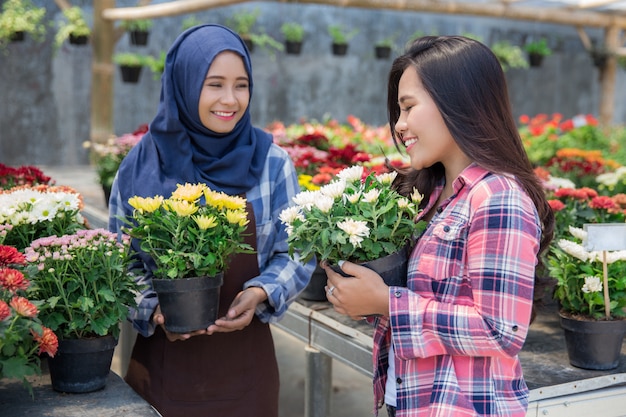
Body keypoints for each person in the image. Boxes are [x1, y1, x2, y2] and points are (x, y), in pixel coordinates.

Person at [323, 35, 555, 417]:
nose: (399, 125)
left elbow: (500, 330)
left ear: (458, 102)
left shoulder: (498, 197)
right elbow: (423, 295)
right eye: (398, 111)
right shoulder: (430, 195)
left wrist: (387, 303)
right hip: (411, 398)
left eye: (408, 107)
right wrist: (359, 293)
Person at [108, 24, 315, 417]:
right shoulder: (141, 165)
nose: (230, 100)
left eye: (241, 85)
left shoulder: (271, 163)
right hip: (162, 373)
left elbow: (298, 249)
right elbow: (120, 261)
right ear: (184, 84)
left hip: (246, 376)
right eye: (214, 84)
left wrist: (260, 293)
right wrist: (153, 308)